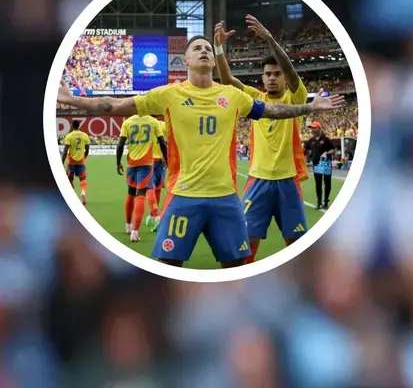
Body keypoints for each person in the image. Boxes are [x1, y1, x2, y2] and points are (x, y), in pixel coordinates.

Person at [56, 35, 345, 268]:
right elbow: (115, 105)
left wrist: (309, 106)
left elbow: (272, 110)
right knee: (168, 266)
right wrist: (74, 100)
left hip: (226, 199)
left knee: (239, 267)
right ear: (186, 59)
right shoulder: (169, 94)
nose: (204, 51)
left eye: (208, 47)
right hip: (183, 196)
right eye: (198, 48)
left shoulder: (232, 96)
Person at [214, 15, 311, 263]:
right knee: (246, 246)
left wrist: (269, 38)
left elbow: (290, 71)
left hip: (287, 181)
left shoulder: (295, 97)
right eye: (267, 74)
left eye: (276, 74)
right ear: (262, 77)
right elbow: (227, 81)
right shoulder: (255, 99)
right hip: (258, 181)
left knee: (297, 247)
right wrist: (218, 48)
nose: (272, 78)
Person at [115, 113, 167, 243]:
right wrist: (167, 158)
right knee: (142, 193)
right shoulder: (153, 122)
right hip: (147, 163)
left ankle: (128, 226)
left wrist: (118, 163)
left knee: (131, 193)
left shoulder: (128, 121)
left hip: (132, 162)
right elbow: (163, 142)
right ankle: (135, 231)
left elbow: (120, 144)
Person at [145, 116, 169, 231]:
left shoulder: (143, 124)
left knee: (150, 188)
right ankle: (153, 214)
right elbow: (170, 141)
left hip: (148, 161)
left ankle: (155, 215)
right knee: (158, 188)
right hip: (161, 160)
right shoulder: (164, 125)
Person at [304, 122, 335, 209]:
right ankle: (319, 202)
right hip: (316, 165)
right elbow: (305, 149)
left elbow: (333, 150)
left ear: (319, 129)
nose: (312, 130)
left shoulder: (326, 139)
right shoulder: (311, 140)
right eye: (311, 128)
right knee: (318, 184)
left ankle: (326, 202)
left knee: (327, 184)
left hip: (325, 164)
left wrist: (327, 152)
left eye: (314, 128)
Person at [61, 119, 90, 204]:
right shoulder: (85, 135)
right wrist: (84, 157)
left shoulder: (69, 136)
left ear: (72, 125)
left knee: (70, 179)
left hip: (71, 162)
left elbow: (65, 151)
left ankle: (72, 197)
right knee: (83, 179)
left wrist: (62, 162)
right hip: (81, 161)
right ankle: (83, 192)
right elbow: (87, 149)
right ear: (79, 126)